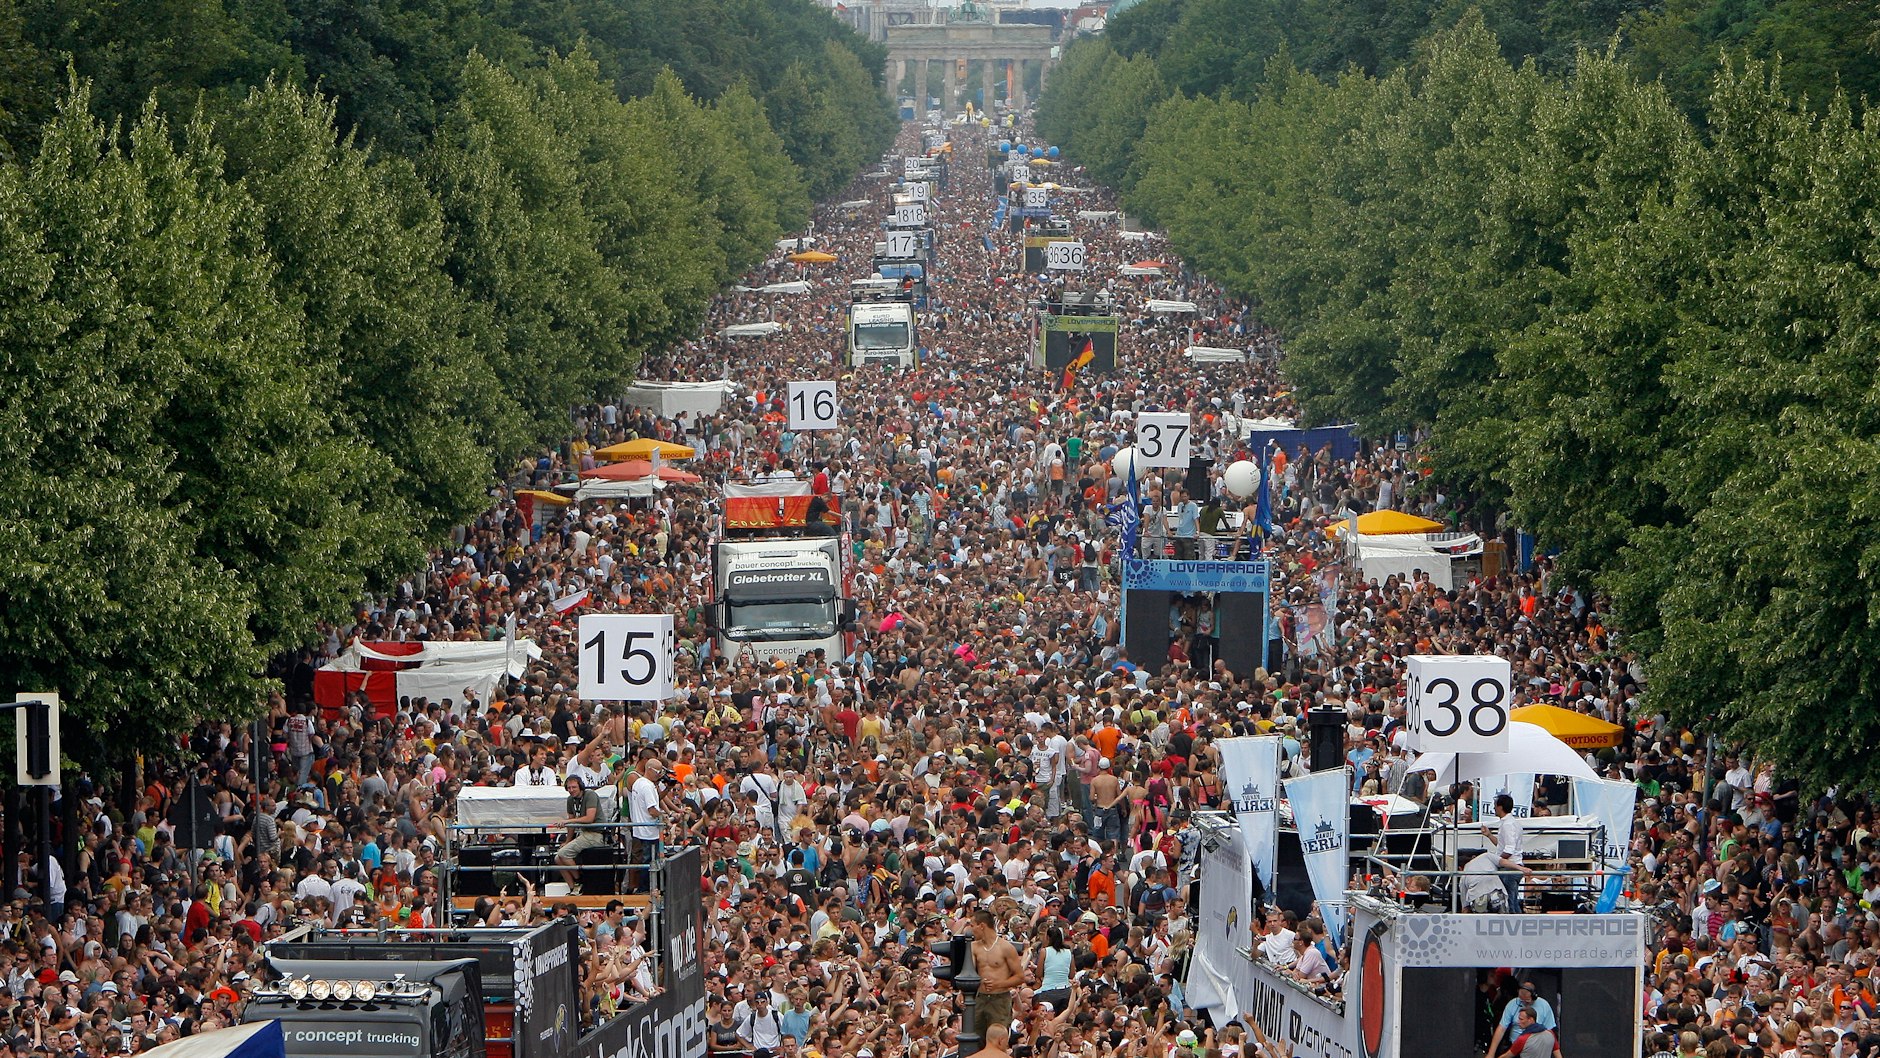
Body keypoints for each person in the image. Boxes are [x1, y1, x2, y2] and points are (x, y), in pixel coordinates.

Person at [970, 909, 1023, 1040]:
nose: (971, 930)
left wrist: (999, 984)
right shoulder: (973, 947)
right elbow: (969, 974)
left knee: (998, 1038)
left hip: (1000, 999)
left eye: (972, 926)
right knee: (976, 1038)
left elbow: (1020, 976)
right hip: (980, 998)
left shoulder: (1006, 947)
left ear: (981, 925)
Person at [1481, 793, 1532, 913]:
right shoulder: (1511, 823)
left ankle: (1517, 924)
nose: (1494, 808)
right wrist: (1489, 835)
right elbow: (1503, 846)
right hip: (1513, 867)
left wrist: (1498, 861)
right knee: (1511, 899)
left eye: (1495, 805)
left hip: (1509, 868)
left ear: (1500, 807)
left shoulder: (1508, 824)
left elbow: (1509, 849)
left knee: (1510, 901)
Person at [554, 776, 603, 894]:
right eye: (569, 787)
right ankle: (574, 888)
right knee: (557, 858)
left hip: (596, 833)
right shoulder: (570, 800)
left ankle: (580, 879)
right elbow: (571, 824)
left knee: (563, 853)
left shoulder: (590, 795)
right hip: (584, 834)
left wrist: (567, 821)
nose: (571, 790)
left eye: (574, 787)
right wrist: (567, 841)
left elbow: (589, 818)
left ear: (580, 786)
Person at [1484, 982, 1556, 1058]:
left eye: (1527, 1000)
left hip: (1536, 1049)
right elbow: (1501, 1028)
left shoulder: (1544, 1006)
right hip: (1514, 1046)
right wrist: (1491, 1053)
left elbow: (1550, 1033)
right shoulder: (1512, 1004)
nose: (1524, 1003)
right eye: (1522, 1000)